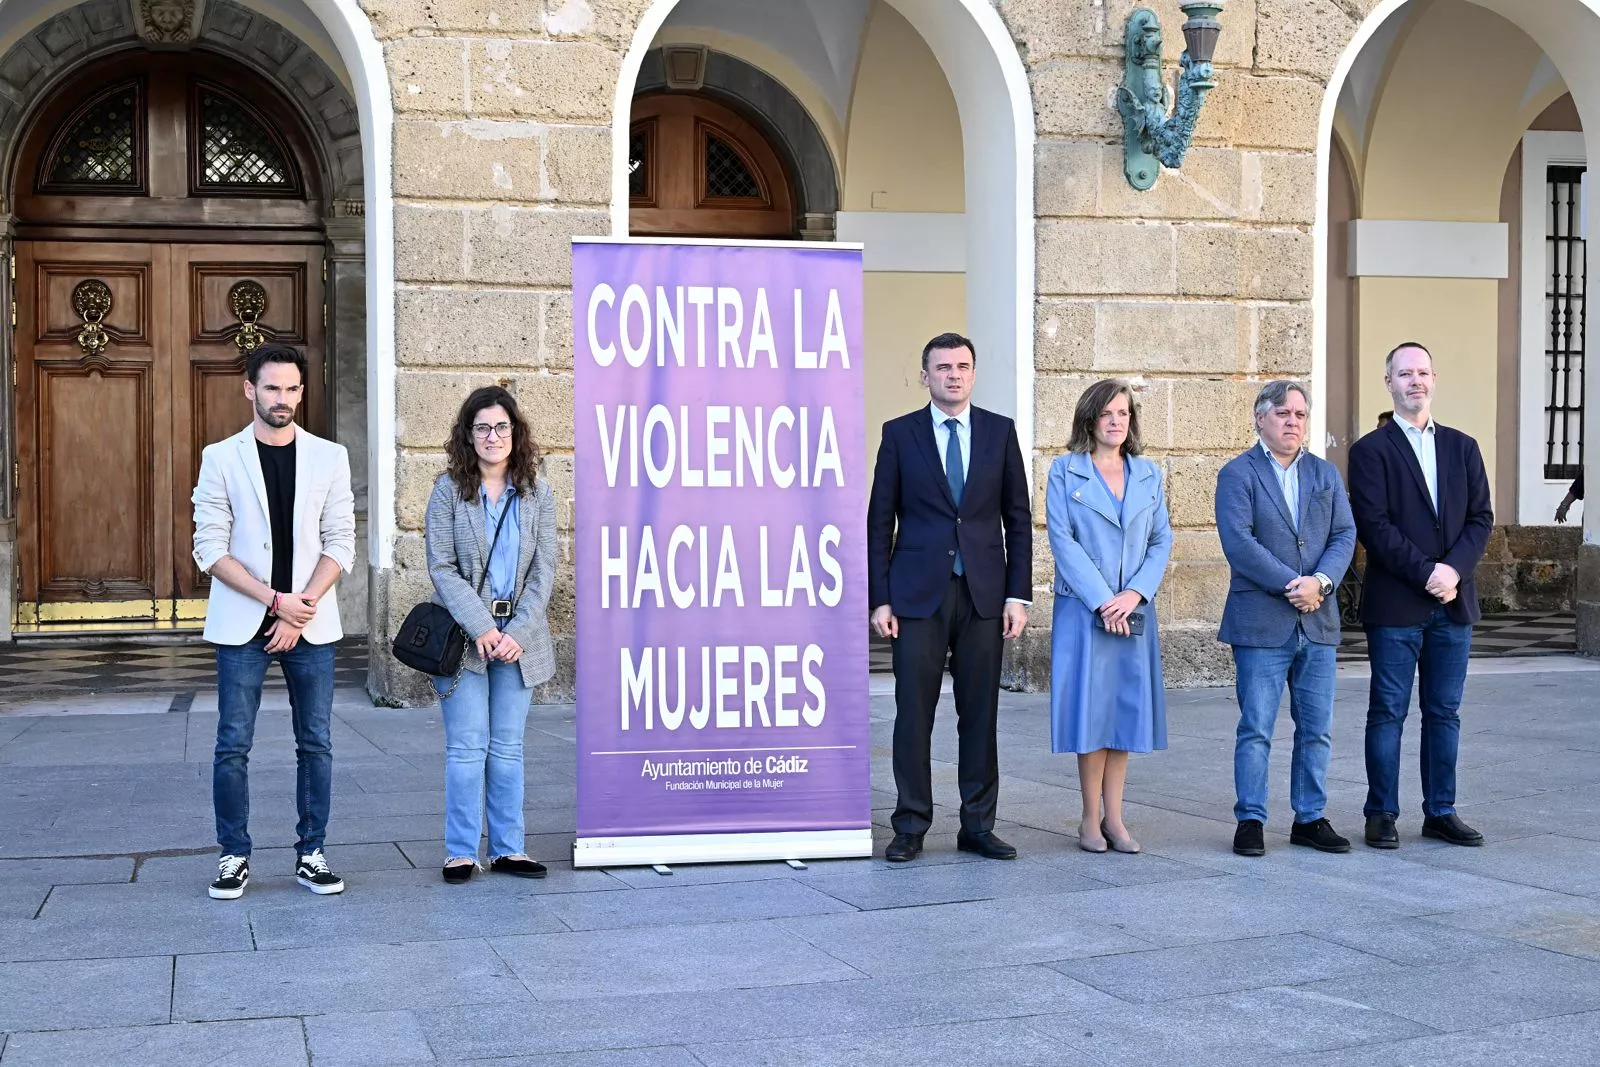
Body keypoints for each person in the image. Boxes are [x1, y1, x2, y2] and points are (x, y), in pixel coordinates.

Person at [191, 343, 356, 900]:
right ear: (250, 390)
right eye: (271, 388)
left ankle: (312, 852)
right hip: (244, 624)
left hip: (311, 623)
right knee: (232, 744)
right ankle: (233, 855)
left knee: (316, 743)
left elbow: (342, 543)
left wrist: (301, 605)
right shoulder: (220, 457)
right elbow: (209, 549)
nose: (281, 399)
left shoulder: (330, 457)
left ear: (301, 393)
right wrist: (273, 602)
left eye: (290, 389)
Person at [867, 332, 1032, 863]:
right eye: (942, 367)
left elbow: (1019, 520)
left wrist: (1018, 595)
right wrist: (880, 599)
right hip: (917, 597)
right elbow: (879, 522)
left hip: (984, 595)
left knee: (979, 714)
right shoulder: (899, 435)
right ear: (925, 376)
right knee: (913, 713)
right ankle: (911, 824)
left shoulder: (999, 433)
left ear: (974, 373)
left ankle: (978, 825)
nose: (953, 375)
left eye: (962, 366)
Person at [1348, 341, 1493, 849]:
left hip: (1454, 603)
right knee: (1388, 711)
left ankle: (1441, 811)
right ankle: (1381, 812)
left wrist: (1452, 570)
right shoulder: (1370, 450)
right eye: (1404, 373)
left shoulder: (1463, 446)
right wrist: (1426, 572)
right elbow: (1375, 526)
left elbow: (1481, 519)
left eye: (1423, 372)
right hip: (1397, 605)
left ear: (1434, 379)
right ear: (1388, 382)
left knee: (1444, 713)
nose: (1415, 381)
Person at [1216, 381, 1356, 858]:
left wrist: (1321, 582)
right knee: (1256, 726)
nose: (1293, 421)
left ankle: (1310, 817)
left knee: (1316, 727)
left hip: (1318, 621)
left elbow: (1344, 534)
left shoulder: (1325, 474)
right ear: (1260, 418)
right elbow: (1239, 542)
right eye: (1282, 413)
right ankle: (1251, 819)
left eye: (1300, 413)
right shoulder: (1238, 474)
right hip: (1261, 623)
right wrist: (1292, 585)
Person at [425, 385, 559, 883]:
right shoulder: (448, 490)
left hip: (520, 637)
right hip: (465, 638)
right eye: (482, 427)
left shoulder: (537, 491)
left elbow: (544, 570)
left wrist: (517, 629)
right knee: (466, 747)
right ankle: (460, 851)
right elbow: (441, 565)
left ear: (515, 432)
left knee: (507, 747)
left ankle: (508, 848)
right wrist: (481, 625)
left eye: (501, 426)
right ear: (468, 435)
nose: (492, 435)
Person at [1045, 379, 1172, 854]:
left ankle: (1117, 819)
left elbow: (1161, 540)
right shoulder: (1065, 472)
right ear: (1089, 419)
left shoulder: (1148, 474)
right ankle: (1089, 818)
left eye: (1124, 413)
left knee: (1123, 712)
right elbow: (1063, 541)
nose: (1117, 421)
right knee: (1091, 713)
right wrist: (1104, 599)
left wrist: (1135, 593)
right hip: (1085, 612)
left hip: (1134, 612)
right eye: (1107, 414)